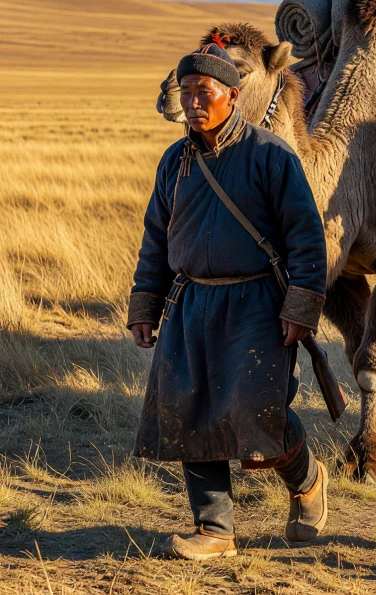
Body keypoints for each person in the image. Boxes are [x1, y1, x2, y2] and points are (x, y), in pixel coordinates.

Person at [127, 37, 328, 560]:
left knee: (257, 411)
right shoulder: (175, 161)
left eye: (204, 91)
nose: (193, 102)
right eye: (187, 91)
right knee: (190, 409)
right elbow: (156, 240)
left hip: (256, 303)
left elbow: (306, 237)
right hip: (190, 303)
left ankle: (307, 480)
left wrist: (301, 307)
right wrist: (145, 304)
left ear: (233, 95)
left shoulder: (270, 154)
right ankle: (214, 529)